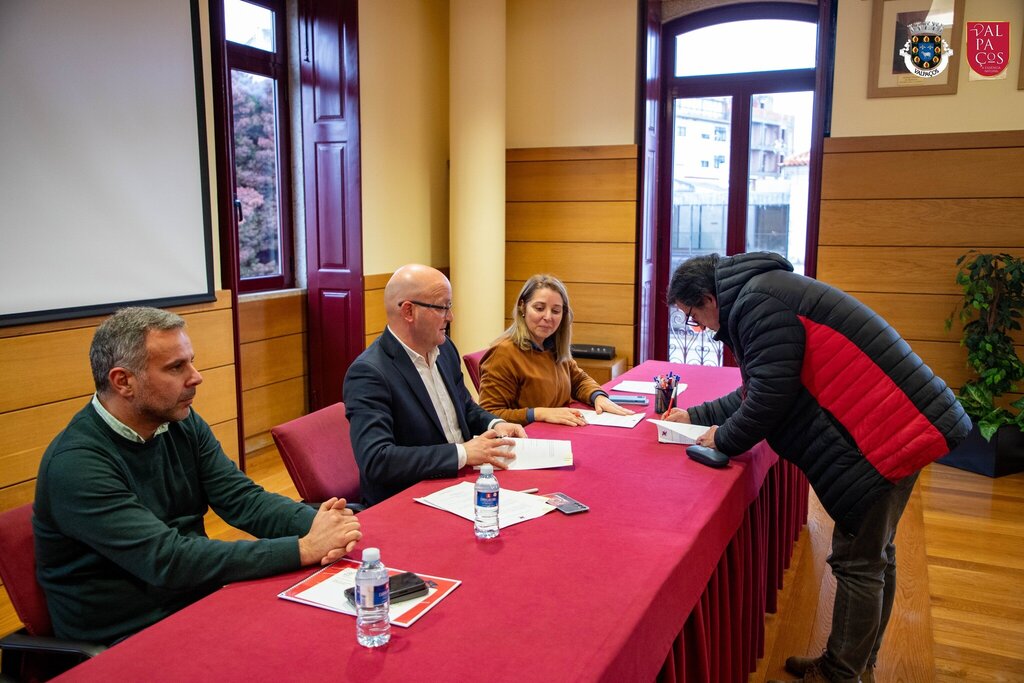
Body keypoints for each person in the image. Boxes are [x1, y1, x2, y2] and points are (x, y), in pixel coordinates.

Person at [663, 252, 970, 683]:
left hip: (884, 430)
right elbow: (759, 387)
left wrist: (724, 439)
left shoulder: (756, 303)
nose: (700, 326)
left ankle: (840, 674)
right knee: (874, 554)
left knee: (858, 560)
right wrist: (697, 416)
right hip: (896, 420)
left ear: (709, 299)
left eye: (693, 316)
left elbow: (770, 398)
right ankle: (855, 663)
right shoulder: (761, 292)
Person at [33, 307, 362, 644]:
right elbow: (168, 559)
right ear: (123, 382)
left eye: (190, 362)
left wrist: (324, 525)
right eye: (176, 367)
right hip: (129, 636)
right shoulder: (77, 465)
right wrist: (302, 548)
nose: (196, 377)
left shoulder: (179, 420)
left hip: (197, 599)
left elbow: (243, 500)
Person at [343, 264, 527, 506]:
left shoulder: (445, 348)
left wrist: (495, 424)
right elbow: (377, 460)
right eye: (442, 307)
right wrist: (463, 453)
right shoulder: (369, 373)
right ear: (409, 311)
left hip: (460, 482)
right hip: (409, 499)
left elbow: (464, 406)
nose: (450, 317)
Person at [477, 274, 634, 426]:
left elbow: (579, 380)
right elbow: (489, 415)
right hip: (527, 437)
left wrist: (598, 396)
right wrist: (539, 414)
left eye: (556, 311)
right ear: (522, 307)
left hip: (559, 430)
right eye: (539, 308)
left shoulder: (552, 346)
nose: (548, 317)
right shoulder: (503, 353)